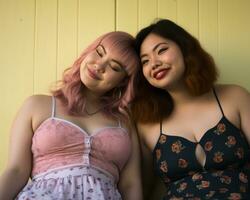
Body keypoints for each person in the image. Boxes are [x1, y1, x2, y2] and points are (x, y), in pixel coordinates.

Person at [0, 31, 143, 200]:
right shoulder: (37, 105)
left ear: (123, 81)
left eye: (114, 67)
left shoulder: (125, 122)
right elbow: (16, 170)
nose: (99, 66)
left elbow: (130, 184)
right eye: (99, 52)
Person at [131, 19, 250, 200]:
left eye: (161, 50)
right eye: (145, 61)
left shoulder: (235, 96)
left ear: (185, 48)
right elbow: (143, 190)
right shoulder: (146, 124)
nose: (154, 63)